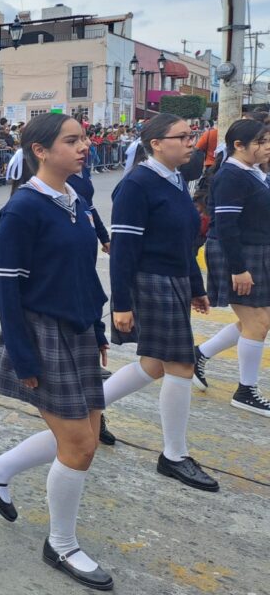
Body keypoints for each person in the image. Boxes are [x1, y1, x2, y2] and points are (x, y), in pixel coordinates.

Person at [0, 114, 114, 590]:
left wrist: (96, 329)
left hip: (76, 330)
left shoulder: (79, 199)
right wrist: (23, 356)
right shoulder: (22, 210)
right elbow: (7, 290)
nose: (84, 147)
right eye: (71, 141)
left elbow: (84, 273)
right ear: (39, 149)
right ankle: (61, 544)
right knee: (79, 444)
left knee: (86, 436)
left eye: (83, 139)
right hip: (41, 334)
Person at [104, 113, 218, 489]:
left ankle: (86, 407)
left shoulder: (175, 180)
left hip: (174, 280)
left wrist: (196, 286)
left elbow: (184, 241)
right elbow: (123, 249)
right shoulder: (137, 184)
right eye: (183, 136)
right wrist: (121, 303)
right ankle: (174, 455)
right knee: (181, 365)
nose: (191, 142)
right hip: (150, 281)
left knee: (154, 365)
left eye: (192, 135)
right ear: (156, 143)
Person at [193, 118, 270, 416]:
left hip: (256, 251)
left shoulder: (254, 172)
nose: (266, 147)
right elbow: (225, 225)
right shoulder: (232, 176)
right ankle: (246, 390)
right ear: (239, 145)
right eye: (261, 142)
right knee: (256, 324)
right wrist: (239, 268)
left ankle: (200, 353)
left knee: (261, 320)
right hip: (236, 254)